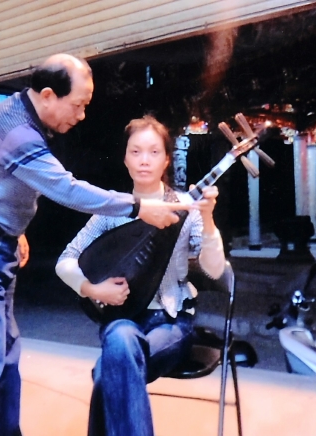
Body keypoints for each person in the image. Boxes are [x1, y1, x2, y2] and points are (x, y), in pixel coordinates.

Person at [0, 54, 190, 436]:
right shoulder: (17, 131)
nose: (82, 115)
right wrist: (138, 207)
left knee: (6, 357)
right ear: (48, 96)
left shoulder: (23, 118)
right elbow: (64, 188)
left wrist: (12, 228)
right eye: (79, 105)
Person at [55, 116, 227, 436]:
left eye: (153, 152)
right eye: (135, 152)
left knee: (107, 372)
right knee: (120, 341)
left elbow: (215, 270)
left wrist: (207, 219)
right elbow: (66, 260)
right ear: (125, 159)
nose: (144, 160)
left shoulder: (185, 207)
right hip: (123, 322)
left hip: (171, 323)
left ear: (166, 160)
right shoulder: (113, 209)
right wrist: (92, 289)